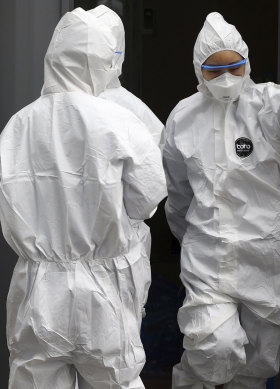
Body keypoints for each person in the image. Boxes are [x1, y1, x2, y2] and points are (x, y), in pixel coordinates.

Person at [0, 7, 166, 389]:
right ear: (104, 63)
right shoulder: (121, 122)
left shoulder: (18, 126)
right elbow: (146, 201)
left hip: (38, 289)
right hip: (104, 289)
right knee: (114, 380)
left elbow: (10, 210)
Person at [162, 12, 280, 389]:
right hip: (209, 259)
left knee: (257, 363)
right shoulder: (183, 117)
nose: (225, 79)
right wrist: (191, 238)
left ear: (247, 63)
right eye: (212, 71)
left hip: (267, 257)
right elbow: (177, 192)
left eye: (234, 68)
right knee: (211, 347)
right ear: (197, 71)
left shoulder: (271, 104)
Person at [92, 5, 164, 148]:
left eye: (112, 52)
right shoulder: (57, 104)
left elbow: (155, 160)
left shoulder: (134, 109)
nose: (105, 59)